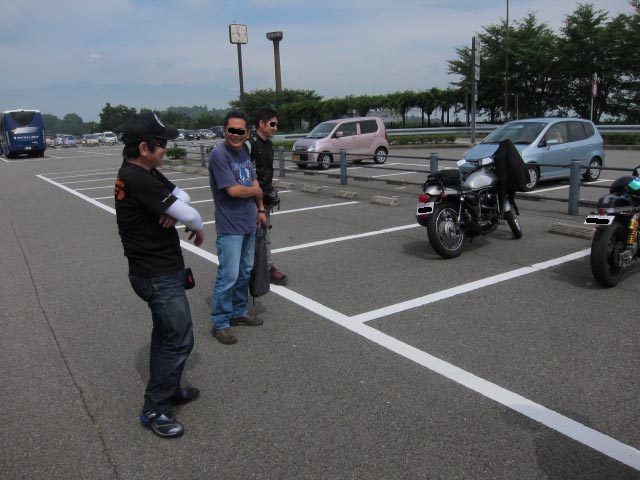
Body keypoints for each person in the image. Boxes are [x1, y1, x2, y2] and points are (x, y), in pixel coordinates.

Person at [115, 112, 205, 438]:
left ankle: (169, 388)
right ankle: (154, 408)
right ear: (144, 148)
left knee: (165, 335)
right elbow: (193, 216)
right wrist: (187, 218)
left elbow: (183, 197)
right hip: (156, 274)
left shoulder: (144, 172)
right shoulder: (138, 178)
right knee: (179, 339)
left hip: (158, 270)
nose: (166, 149)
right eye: (162, 144)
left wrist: (175, 210)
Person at [208, 111, 267, 345]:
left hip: (249, 221)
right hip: (229, 225)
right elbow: (233, 190)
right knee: (229, 275)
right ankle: (220, 322)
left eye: (240, 130)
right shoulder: (219, 155)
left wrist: (260, 208)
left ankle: (238, 311)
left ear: (247, 133)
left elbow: (252, 179)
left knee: (244, 271)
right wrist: (256, 191)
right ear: (224, 131)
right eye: (231, 130)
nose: (236, 134)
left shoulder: (243, 151)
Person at [249, 107, 288, 285]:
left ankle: (266, 267)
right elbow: (247, 175)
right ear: (261, 123)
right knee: (255, 235)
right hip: (251, 199)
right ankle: (260, 269)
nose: (275, 128)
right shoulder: (250, 145)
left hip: (264, 197)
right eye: (273, 124)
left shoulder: (268, 144)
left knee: (264, 235)